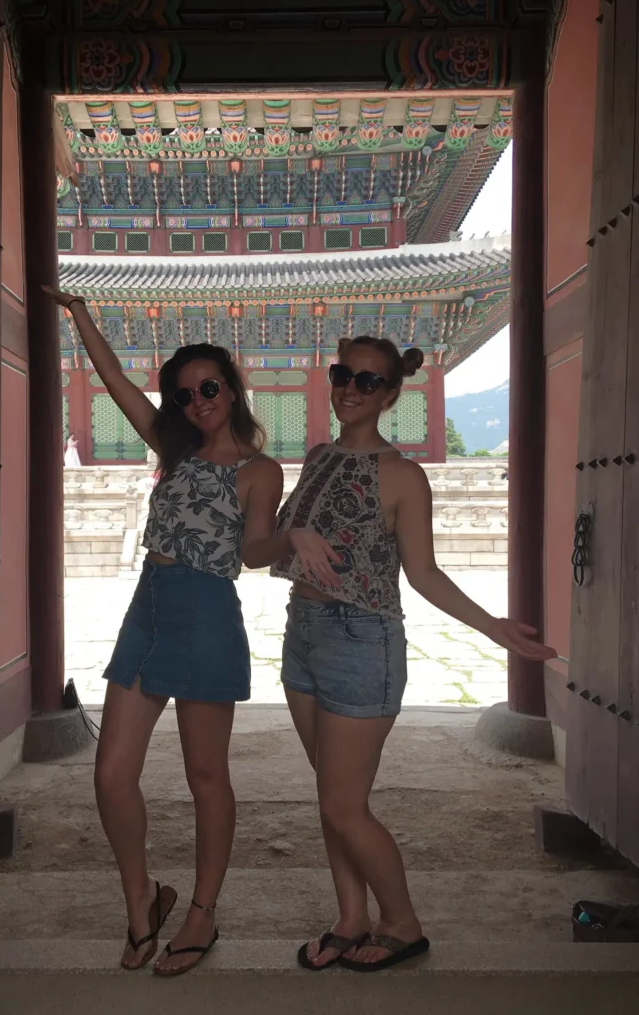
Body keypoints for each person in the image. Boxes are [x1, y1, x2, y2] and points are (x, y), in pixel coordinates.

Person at [42, 286, 337, 977]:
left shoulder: (259, 470)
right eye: (183, 394)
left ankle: (202, 912)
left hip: (206, 613)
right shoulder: (172, 448)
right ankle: (142, 897)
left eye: (208, 387)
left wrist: (293, 533)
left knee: (207, 776)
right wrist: (80, 314)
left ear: (231, 390)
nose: (197, 401)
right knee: (112, 773)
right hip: (147, 608)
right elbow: (113, 382)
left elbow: (254, 551)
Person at [268, 335, 557, 974]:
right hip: (304, 630)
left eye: (367, 382)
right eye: (343, 375)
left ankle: (402, 921)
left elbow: (423, 574)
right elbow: (270, 543)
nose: (350, 389)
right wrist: (292, 530)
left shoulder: (403, 475)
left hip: (361, 640)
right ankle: (351, 917)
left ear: (392, 394)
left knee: (346, 805)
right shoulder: (317, 457)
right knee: (328, 797)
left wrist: (492, 627)